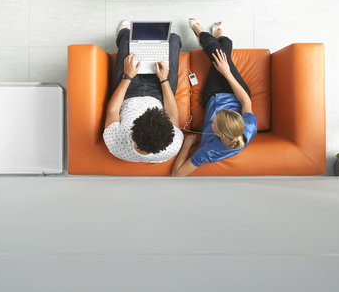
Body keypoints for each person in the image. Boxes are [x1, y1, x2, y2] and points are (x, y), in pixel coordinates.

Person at [172, 18, 257, 176]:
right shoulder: (248, 127)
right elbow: (245, 101)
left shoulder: (209, 151)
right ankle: (202, 34)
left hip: (213, 95)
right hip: (236, 92)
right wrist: (227, 73)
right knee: (222, 55)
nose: (215, 115)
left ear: (220, 134)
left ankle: (213, 36)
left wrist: (187, 144)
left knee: (222, 51)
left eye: (214, 121)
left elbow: (177, 174)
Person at [103, 21, 184, 163]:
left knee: (127, 35)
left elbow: (113, 110)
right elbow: (171, 114)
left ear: (133, 131)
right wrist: (164, 80)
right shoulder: (173, 145)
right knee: (174, 39)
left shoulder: (115, 144)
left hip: (127, 92)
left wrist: (127, 76)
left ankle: (124, 35)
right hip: (159, 93)